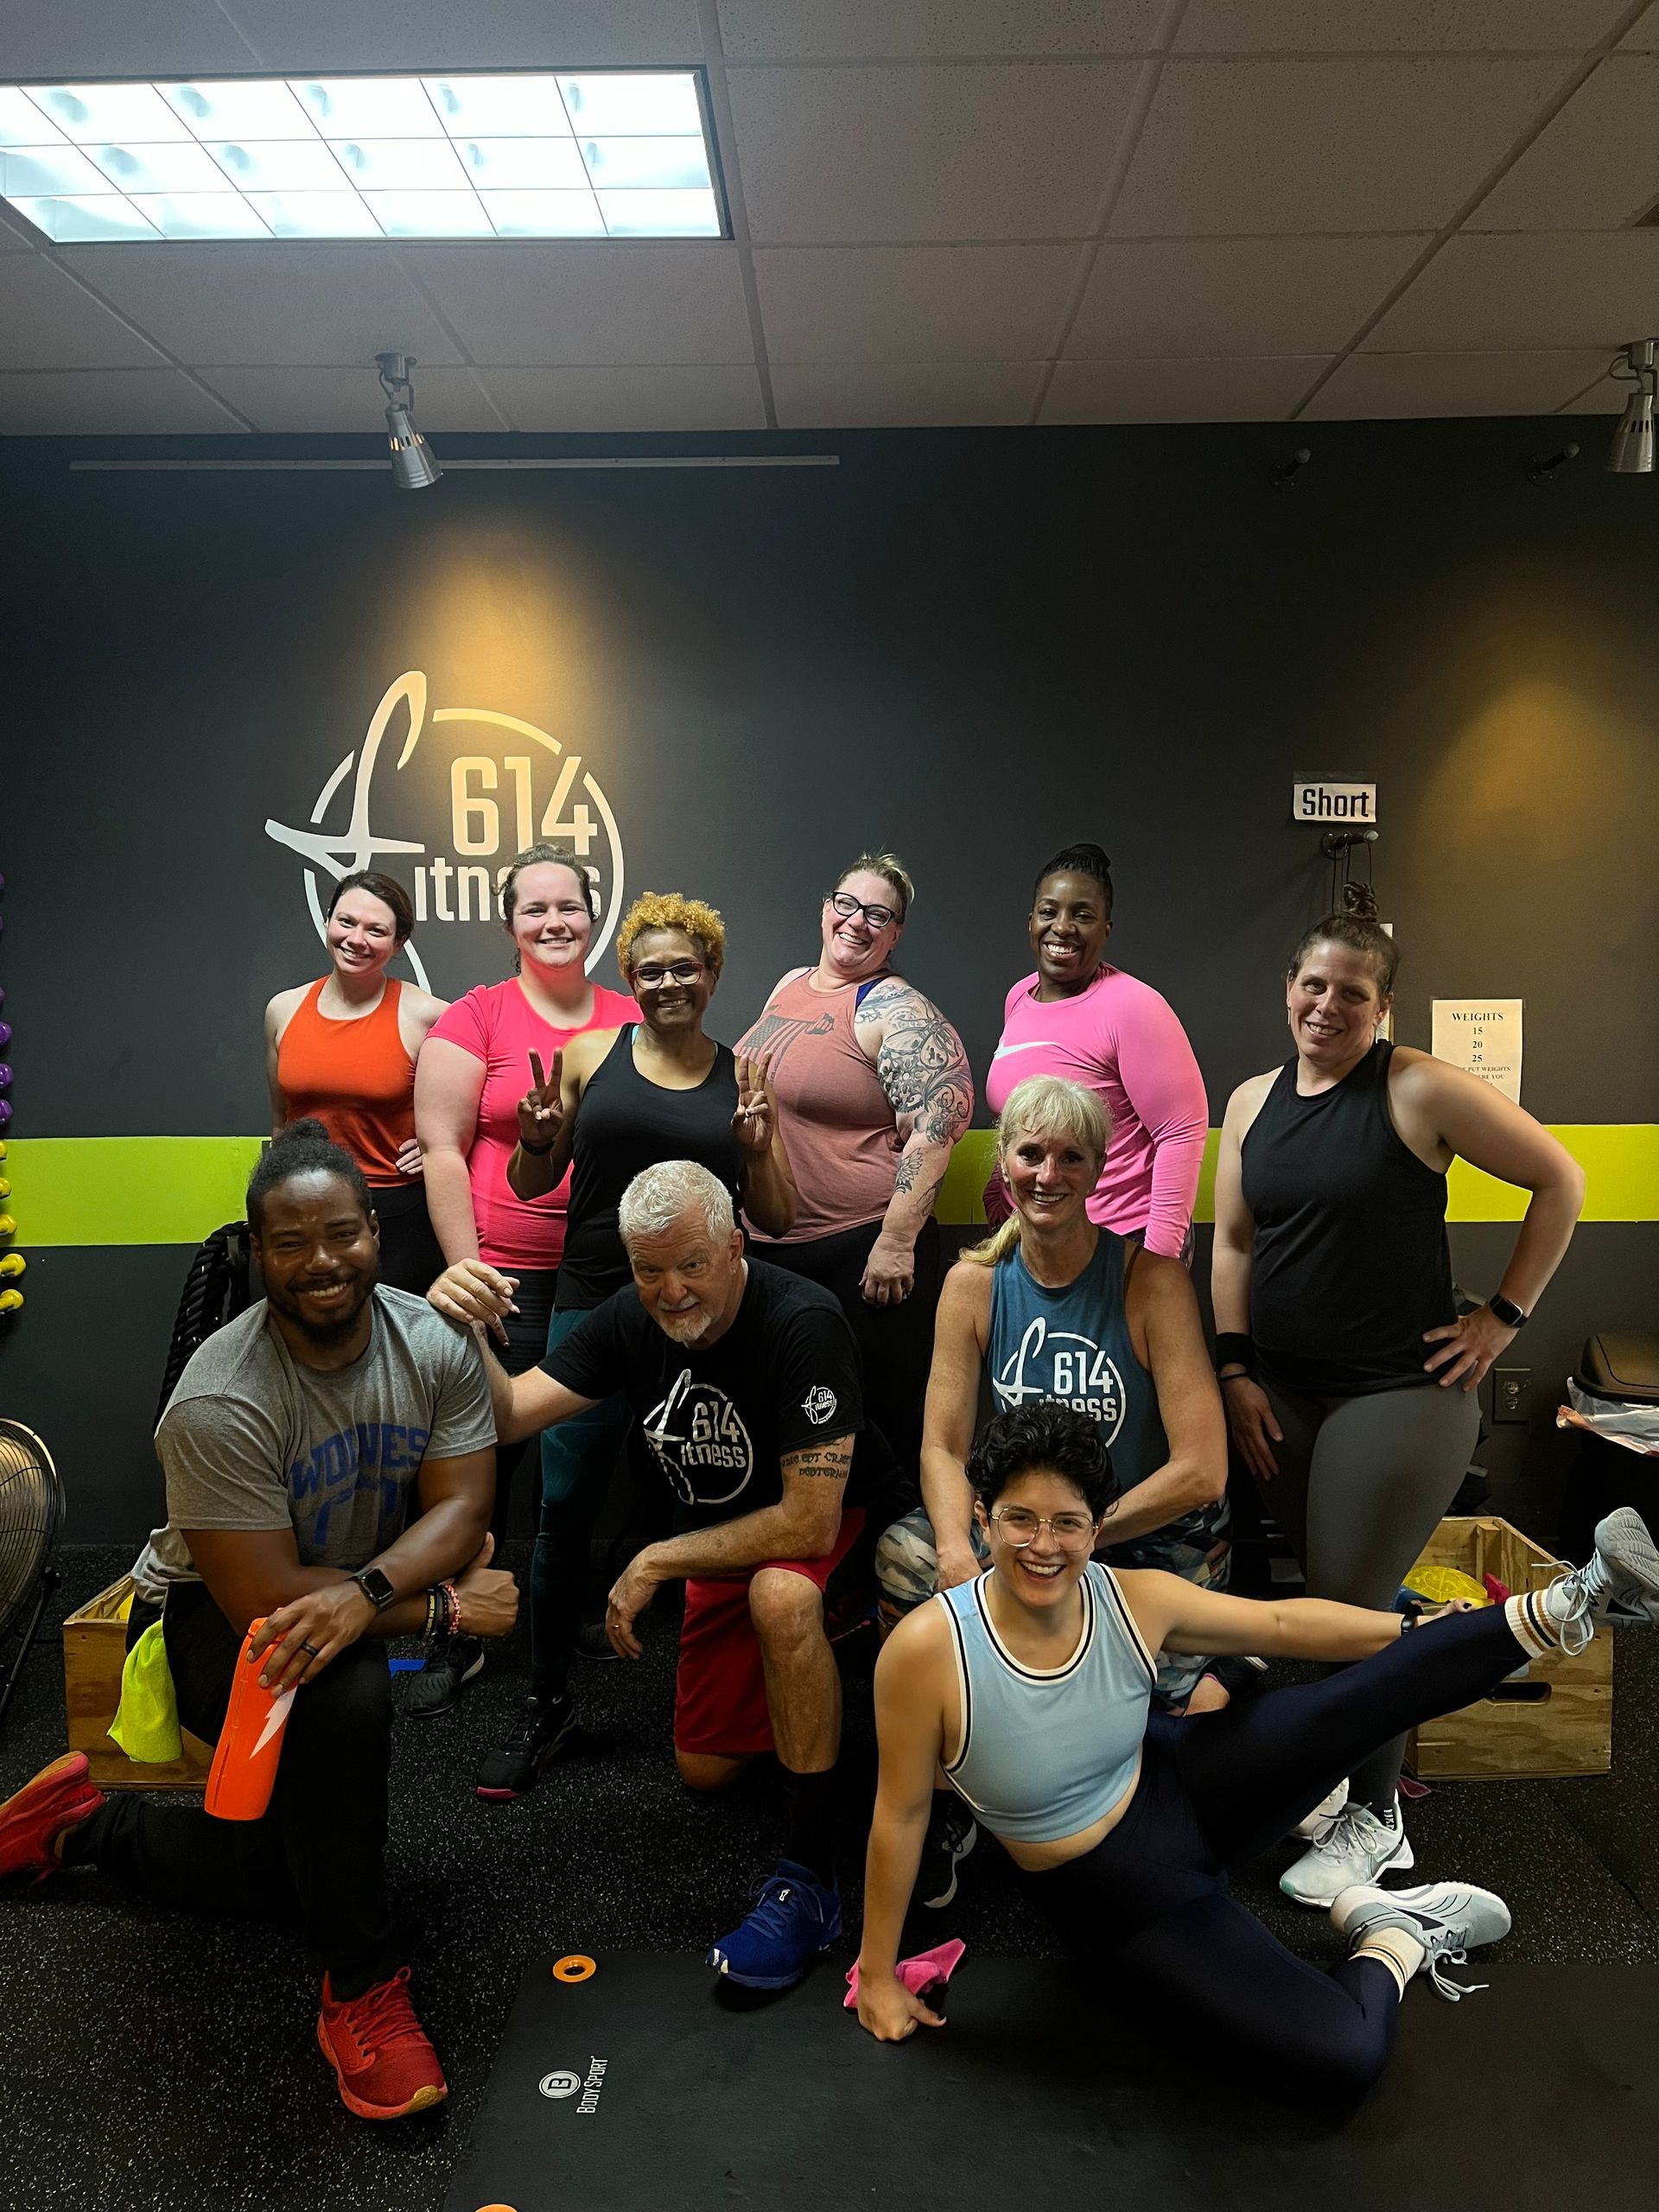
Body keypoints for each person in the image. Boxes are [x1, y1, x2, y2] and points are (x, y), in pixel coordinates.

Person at [852, 1400, 1659, 2099]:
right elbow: (901, 1814)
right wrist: (880, 1973)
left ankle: (1564, 1603)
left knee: (1343, 1701)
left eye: (1068, 1522)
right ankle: (1395, 1936)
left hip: (1185, 1784)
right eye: (1020, 1518)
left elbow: (1280, 1624)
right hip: (1118, 1894)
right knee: (1340, 2056)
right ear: (982, 1514)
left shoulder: (1128, 1595)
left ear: (1097, 1528)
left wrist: (1412, 1630)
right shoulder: (929, 1652)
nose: (1044, 1545)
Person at [0, 1122, 518, 2121]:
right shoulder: (220, 1395)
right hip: (209, 1617)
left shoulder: (435, 1341)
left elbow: (462, 1509)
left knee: (298, 1873)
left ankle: (92, 1827)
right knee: (342, 1685)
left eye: (340, 1233)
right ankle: (359, 1987)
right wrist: (440, 1605)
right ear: (257, 1250)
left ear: (375, 1231)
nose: (321, 1261)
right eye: (290, 1241)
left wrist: (372, 1593)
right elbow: (268, 1602)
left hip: (336, 1588)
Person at [429, 1159, 896, 1993]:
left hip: (843, 1524)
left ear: (733, 1247)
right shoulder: (629, 1318)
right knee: (705, 1771)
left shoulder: (802, 1321)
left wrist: (656, 1558)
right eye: (650, 1270)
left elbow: (810, 1521)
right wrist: (458, 1324)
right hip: (730, 1535)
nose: (672, 1290)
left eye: (691, 1265)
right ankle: (815, 1663)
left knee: (783, 1596)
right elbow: (507, 1413)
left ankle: (813, 1877)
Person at [1211, 912, 1586, 1905]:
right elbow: (1237, 1245)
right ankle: (1349, 1779)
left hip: (1402, 1390)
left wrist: (1503, 1318)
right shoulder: (1251, 1101)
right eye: (1314, 986)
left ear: (1384, 1007)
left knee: (1348, 1607)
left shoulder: (1416, 1087)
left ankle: (1380, 1820)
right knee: (1327, 1606)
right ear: (1287, 986)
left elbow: (1562, 1179)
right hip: (1283, 1390)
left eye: (1352, 993)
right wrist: (1237, 1371)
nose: (1328, 1006)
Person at [472, 890, 797, 1799]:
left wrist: (762, 1147)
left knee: (706, 1506)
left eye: (684, 967)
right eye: (650, 969)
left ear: (713, 974)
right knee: (565, 1497)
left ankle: (726, 1698)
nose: (667, 983)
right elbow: (535, 1180)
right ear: (630, 978)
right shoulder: (587, 1057)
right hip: (594, 1304)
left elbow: (775, 1216)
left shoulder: (742, 1076)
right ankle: (545, 1698)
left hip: (702, 1319)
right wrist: (536, 1144)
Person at [877, 1074, 1228, 1907]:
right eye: (1031, 1153)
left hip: (1138, 1530)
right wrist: (964, 1548)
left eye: (1072, 1156)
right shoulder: (973, 1285)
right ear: (1003, 1163)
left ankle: (1207, 1693)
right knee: (905, 1558)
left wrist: (1074, 1541)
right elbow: (941, 1443)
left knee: (1192, 1707)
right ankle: (954, 1797)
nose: (1049, 1173)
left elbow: (1202, 1468)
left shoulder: (1150, 1280)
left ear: (1100, 1169)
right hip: (1022, 1532)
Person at [412, 843, 634, 1716]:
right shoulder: (477, 1017)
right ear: (509, 925)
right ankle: (458, 1629)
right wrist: (466, 1265)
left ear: (592, 915)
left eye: (568, 906)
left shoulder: (627, 1015)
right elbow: (440, 1150)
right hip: (502, 1272)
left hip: (600, 1274)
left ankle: (565, 1604)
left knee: (577, 1460)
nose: (553, 922)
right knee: (482, 1458)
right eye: (535, 909)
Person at [737, 851, 973, 1478]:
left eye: (878, 914)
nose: (856, 922)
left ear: (895, 934)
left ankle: (896, 1566)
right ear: (825, 909)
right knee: (795, 1426)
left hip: (860, 1249)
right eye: (847, 905)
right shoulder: (788, 985)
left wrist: (896, 1243)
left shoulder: (894, 1009)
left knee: (876, 1430)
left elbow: (939, 1123)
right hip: (774, 1246)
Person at [984, 843, 1207, 1260]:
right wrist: (998, 1199)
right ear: (1030, 921)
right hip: (1033, 1238)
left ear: (1106, 928)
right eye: (1049, 912)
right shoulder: (1018, 998)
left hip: (1119, 1240)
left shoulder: (1133, 1006)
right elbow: (1017, 1117)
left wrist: (1158, 1261)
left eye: (1082, 915)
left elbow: (1181, 1132)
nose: (1062, 927)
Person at [264, 870, 448, 1294]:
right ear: (328, 921)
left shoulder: (429, 1015)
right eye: (346, 922)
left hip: (395, 1212)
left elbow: (487, 1106)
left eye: (376, 930)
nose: (356, 939)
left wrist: (444, 1144)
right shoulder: (283, 1010)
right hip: (303, 1206)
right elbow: (281, 1122)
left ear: (398, 943)